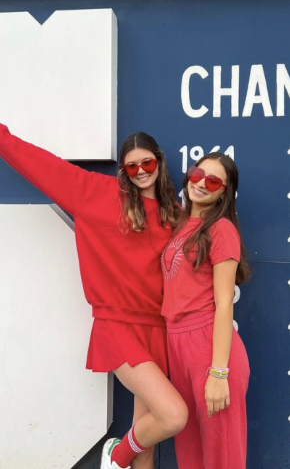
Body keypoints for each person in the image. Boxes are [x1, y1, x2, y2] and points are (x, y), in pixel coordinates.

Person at [0, 124, 188, 469]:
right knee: (173, 415)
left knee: (146, 440)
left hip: (159, 329)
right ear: (123, 170)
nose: (142, 171)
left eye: (147, 162)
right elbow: (39, 164)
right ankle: (116, 453)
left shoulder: (174, 213)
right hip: (118, 326)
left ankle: (126, 453)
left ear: (159, 162)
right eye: (132, 166)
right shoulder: (96, 193)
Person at [161, 152, 251, 469]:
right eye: (197, 173)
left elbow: (224, 303)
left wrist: (218, 372)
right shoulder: (182, 222)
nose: (201, 183)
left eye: (212, 180)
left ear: (223, 191)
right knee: (190, 453)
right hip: (177, 343)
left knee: (221, 454)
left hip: (207, 345)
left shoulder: (222, 229)